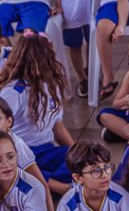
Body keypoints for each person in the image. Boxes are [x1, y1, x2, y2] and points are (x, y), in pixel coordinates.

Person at [0, 31, 74, 194]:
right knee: (14, 167)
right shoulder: (13, 91)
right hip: (20, 152)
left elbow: (58, 127)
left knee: (84, 161)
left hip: (47, 151)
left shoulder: (52, 86)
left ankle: (37, 183)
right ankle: (58, 187)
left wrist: (77, 152)